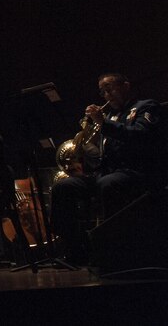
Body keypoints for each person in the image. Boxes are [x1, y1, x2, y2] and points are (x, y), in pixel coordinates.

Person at [50, 73, 164, 266]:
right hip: (107, 172)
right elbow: (103, 155)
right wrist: (83, 150)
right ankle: (76, 249)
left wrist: (104, 123)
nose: (106, 95)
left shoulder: (146, 106)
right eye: (102, 91)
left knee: (108, 184)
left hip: (136, 171)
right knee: (64, 186)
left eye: (110, 88)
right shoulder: (110, 115)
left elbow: (140, 136)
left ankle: (111, 250)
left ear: (126, 86)